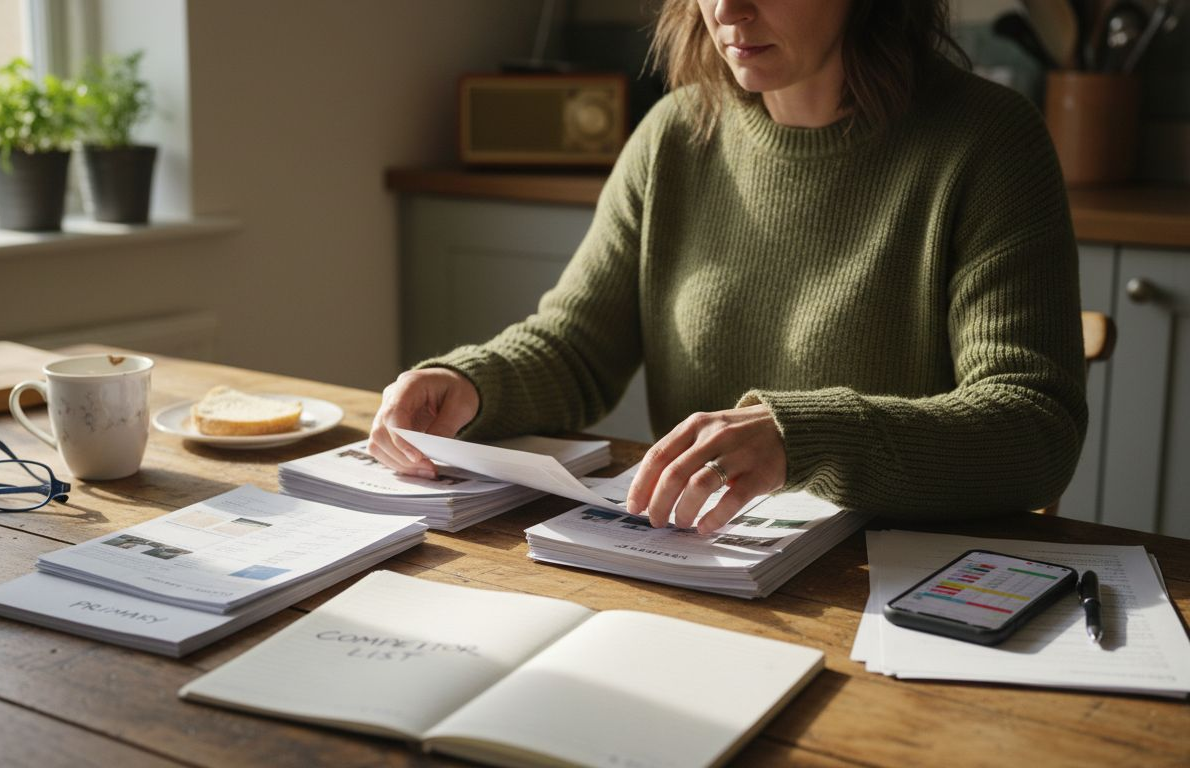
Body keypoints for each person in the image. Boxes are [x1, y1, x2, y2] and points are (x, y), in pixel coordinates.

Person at [369, 0, 1086, 534]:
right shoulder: (675, 134)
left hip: (898, 585)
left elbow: (1034, 425)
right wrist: (468, 382)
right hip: (707, 560)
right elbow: (576, 347)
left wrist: (798, 438)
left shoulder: (989, 143)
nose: (728, 10)